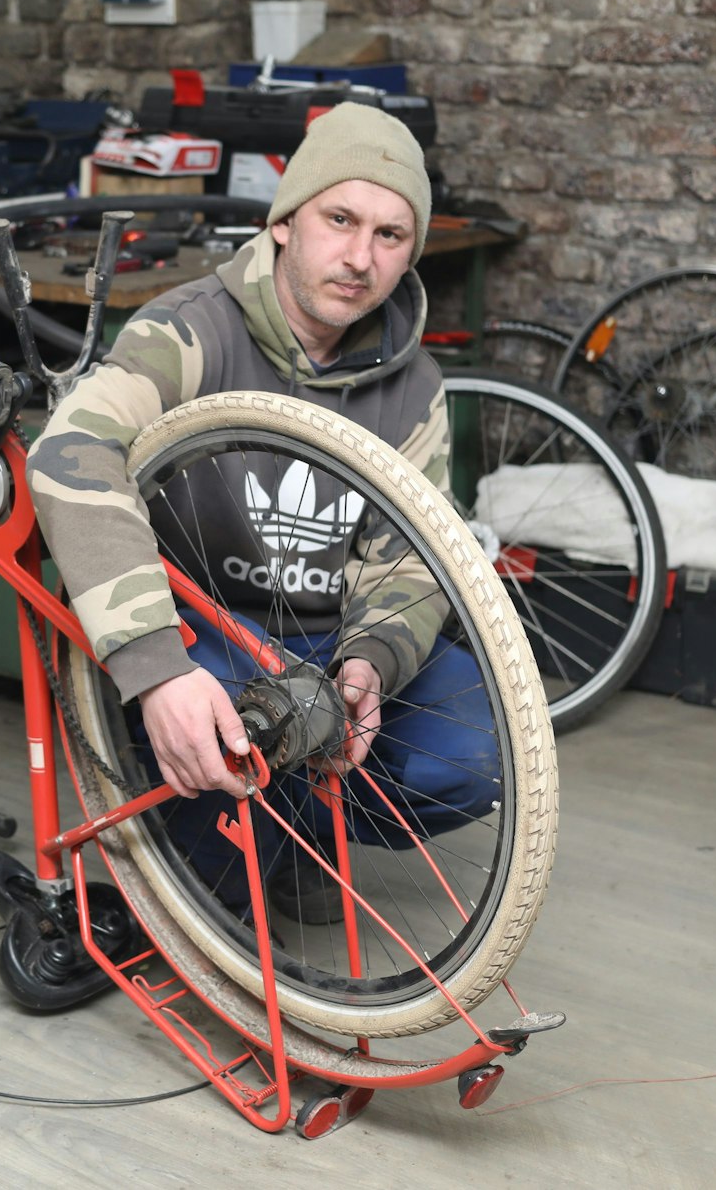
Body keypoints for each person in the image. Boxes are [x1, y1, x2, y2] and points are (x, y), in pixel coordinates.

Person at [27, 103, 501, 920]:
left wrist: (372, 663)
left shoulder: (414, 386)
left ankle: (293, 829)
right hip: (204, 634)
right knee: (205, 897)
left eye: (391, 236)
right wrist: (155, 668)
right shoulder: (190, 332)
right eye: (340, 218)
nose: (360, 258)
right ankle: (231, 835)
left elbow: (411, 556)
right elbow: (69, 452)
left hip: (325, 640)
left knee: (472, 759)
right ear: (285, 222)